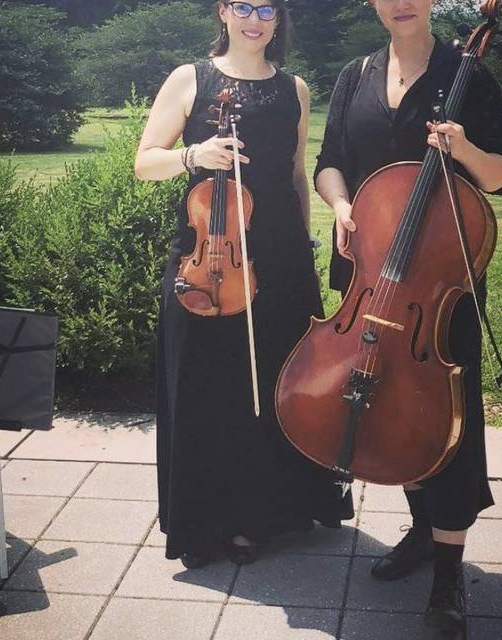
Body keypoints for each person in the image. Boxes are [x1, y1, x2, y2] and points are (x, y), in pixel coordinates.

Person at [314, 0, 502, 637]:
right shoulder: (355, 74)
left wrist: (463, 146)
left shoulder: (470, 74)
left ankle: (449, 573)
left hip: (437, 282)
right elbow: (330, 164)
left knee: (446, 418)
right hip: (371, 271)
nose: (400, 2)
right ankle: (423, 535)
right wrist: (342, 207)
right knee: (384, 405)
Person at [134, 0, 353, 568]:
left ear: (278, 19)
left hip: (278, 259)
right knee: (208, 386)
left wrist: (305, 249)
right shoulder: (191, 78)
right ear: (223, 13)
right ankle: (207, 520)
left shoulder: (295, 89)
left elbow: (295, 176)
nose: (255, 18)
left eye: (268, 8)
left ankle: (268, 514)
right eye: (243, 6)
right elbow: (145, 161)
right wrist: (194, 155)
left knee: (278, 388)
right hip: (206, 261)